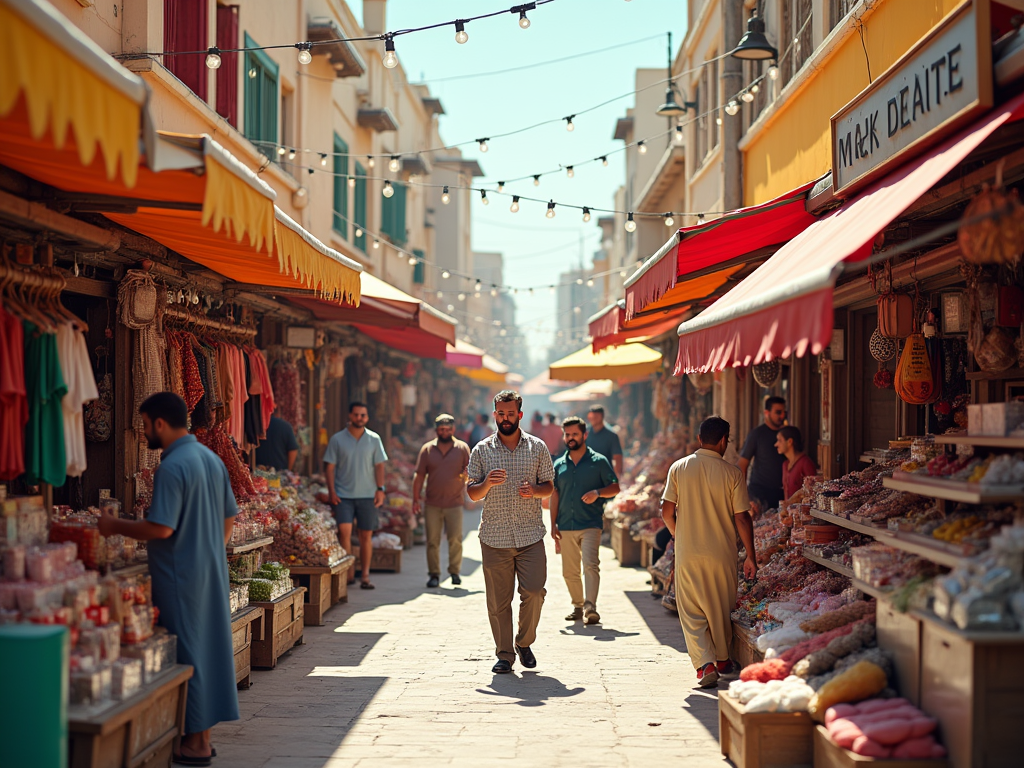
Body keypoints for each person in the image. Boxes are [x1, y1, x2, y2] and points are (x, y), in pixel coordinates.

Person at [97, 392, 238, 766]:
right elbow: (229, 519)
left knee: (188, 652)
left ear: (159, 423)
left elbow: (160, 528)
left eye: (144, 425)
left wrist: (113, 526)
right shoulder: (211, 459)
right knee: (208, 648)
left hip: (180, 574)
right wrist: (208, 548)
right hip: (208, 569)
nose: (144, 433)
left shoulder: (172, 467)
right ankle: (200, 739)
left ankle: (195, 744)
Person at [661, 416, 758, 689]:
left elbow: (666, 512)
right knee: (719, 606)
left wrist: (679, 536)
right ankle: (724, 659)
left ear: (699, 438)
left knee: (691, 610)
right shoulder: (732, 473)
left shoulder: (678, 468)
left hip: (688, 553)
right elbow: (742, 518)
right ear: (724, 440)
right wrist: (751, 555)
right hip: (722, 554)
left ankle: (705, 665)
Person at [467, 389, 554, 674]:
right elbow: (472, 493)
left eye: (510, 413)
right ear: (495, 415)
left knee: (534, 592)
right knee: (498, 602)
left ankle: (524, 641)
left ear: (520, 414)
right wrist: (487, 484)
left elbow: (549, 486)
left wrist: (534, 492)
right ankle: (504, 655)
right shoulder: (482, 450)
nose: (505, 419)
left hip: (530, 535)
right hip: (494, 537)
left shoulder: (537, 448)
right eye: (500, 414)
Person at [550, 416, 619, 625]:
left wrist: (598, 492)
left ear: (585, 435)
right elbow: (555, 495)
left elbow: (615, 487)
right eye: (567, 434)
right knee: (569, 571)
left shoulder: (599, 461)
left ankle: (591, 606)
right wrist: (552, 525)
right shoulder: (559, 464)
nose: (570, 438)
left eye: (575, 434)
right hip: (566, 525)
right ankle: (578, 606)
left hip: (590, 524)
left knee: (590, 565)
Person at [323, 402, 388, 590]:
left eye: (363, 415)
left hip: (368, 495)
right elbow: (330, 467)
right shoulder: (337, 439)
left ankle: (365, 575)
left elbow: (380, 466)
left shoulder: (374, 439)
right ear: (350, 416)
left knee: (365, 536)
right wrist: (331, 491)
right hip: (343, 495)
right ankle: (348, 574)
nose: (360, 418)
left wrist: (380, 489)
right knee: (344, 532)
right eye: (357, 415)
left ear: (367, 418)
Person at [413, 414, 470, 588]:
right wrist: (415, 499)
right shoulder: (427, 450)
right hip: (432, 503)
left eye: (447, 429)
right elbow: (420, 475)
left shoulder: (462, 448)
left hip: (455, 502)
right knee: (432, 540)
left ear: (453, 429)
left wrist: (467, 483)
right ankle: (434, 574)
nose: (444, 432)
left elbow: (470, 472)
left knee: (455, 539)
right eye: (441, 429)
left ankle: (454, 571)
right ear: (436, 430)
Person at [738, 396, 788, 509]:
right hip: (759, 494)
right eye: (778, 412)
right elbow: (741, 466)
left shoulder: (787, 434)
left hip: (782, 495)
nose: (782, 416)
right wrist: (745, 496)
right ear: (767, 413)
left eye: (784, 412)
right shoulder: (756, 434)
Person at [776, 425, 818, 501]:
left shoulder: (805, 463)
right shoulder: (785, 464)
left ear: (789, 442)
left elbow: (813, 492)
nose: (776, 444)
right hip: (788, 511)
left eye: (779, 440)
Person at [586, 404, 624, 478]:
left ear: (601, 417)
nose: (593, 419)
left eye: (595, 417)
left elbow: (618, 457)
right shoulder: (585, 434)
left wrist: (616, 477)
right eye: (591, 417)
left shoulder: (611, 436)